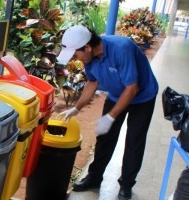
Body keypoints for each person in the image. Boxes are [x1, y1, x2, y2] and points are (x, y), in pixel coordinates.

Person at [56, 25, 158, 200]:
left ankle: (126, 185)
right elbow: (92, 83)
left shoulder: (121, 48)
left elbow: (132, 88)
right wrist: (76, 108)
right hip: (117, 94)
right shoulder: (89, 59)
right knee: (105, 138)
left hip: (142, 97)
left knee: (134, 141)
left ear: (87, 47)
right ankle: (95, 177)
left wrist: (111, 117)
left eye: (75, 54)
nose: (75, 59)